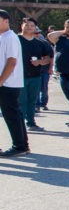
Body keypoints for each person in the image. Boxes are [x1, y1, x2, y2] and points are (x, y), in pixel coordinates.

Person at [0, 9, 29, 157]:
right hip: (5, 83)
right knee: (13, 114)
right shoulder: (2, 37)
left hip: (8, 83)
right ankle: (22, 144)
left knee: (12, 115)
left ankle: (20, 146)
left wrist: (1, 80)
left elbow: (11, 62)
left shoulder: (9, 37)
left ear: (6, 21)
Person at [18, 17, 52, 131]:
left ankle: (31, 123)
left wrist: (39, 62)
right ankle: (20, 125)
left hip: (35, 76)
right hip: (18, 77)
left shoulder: (40, 43)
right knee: (21, 101)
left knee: (32, 101)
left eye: (32, 26)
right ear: (21, 26)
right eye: (27, 25)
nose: (29, 27)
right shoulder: (15, 40)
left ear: (35, 28)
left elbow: (47, 58)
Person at [37, 24, 54, 111]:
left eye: (38, 33)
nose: (37, 34)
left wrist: (51, 68)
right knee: (36, 89)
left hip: (45, 70)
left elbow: (51, 57)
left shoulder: (46, 44)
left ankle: (43, 104)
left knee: (44, 88)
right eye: (35, 33)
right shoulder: (29, 43)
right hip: (34, 71)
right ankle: (37, 105)